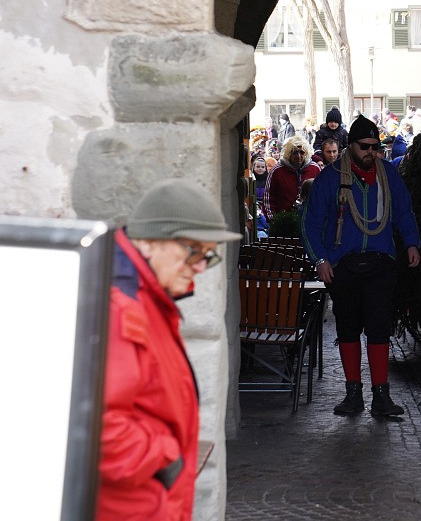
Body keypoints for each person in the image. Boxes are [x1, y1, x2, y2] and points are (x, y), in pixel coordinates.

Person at [97, 179, 241, 520]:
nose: (201, 267)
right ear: (149, 242)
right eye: (193, 251)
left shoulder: (146, 296)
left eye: (208, 255)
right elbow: (100, 429)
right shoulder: (121, 309)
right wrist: (165, 456)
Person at [302, 113, 421, 417]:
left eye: (375, 147)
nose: (371, 152)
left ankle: (381, 396)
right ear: (350, 145)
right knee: (348, 330)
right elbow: (311, 223)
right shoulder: (330, 178)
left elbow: (404, 211)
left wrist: (411, 243)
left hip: (381, 264)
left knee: (379, 330)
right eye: (365, 146)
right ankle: (353, 393)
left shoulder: (388, 175)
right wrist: (320, 259)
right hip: (345, 266)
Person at [263, 135, 320, 219]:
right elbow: (268, 197)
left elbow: (322, 194)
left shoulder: (315, 169)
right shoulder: (277, 171)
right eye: (294, 152)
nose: (298, 156)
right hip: (284, 221)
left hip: (310, 220)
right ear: (288, 154)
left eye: (302, 152)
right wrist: (273, 221)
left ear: (306, 152)